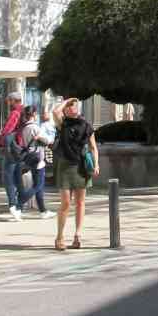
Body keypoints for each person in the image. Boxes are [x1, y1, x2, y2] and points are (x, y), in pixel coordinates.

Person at [52, 98, 99, 251]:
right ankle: (59, 237)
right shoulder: (63, 124)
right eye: (70, 106)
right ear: (65, 109)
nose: (74, 108)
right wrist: (66, 101)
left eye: (75, 105)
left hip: (81, 166)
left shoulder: (86, 125)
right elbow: (55, 112)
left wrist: (96, 164)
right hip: (65, 165)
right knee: (66, 202)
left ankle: (78, 235)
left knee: (80, 202)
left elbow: (93, 147)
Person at [0, 92, 24, 220]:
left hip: (12, 149)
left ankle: (13, 206)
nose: (7, 104)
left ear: (14, 101)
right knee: (18, 178)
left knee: (8, 178)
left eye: (8, 101)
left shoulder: (15, 113)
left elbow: (7, 131)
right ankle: (20, 206)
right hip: (21, 149)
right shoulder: (24, 111)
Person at [17, 106, 55, 219]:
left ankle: (43, 211)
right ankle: (18, 205)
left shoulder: (24, 127)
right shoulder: (35, 127)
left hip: (29, 156)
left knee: (38, 184)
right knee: (38, 185)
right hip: (38, 157)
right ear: (33, 114)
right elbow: (48, 140)